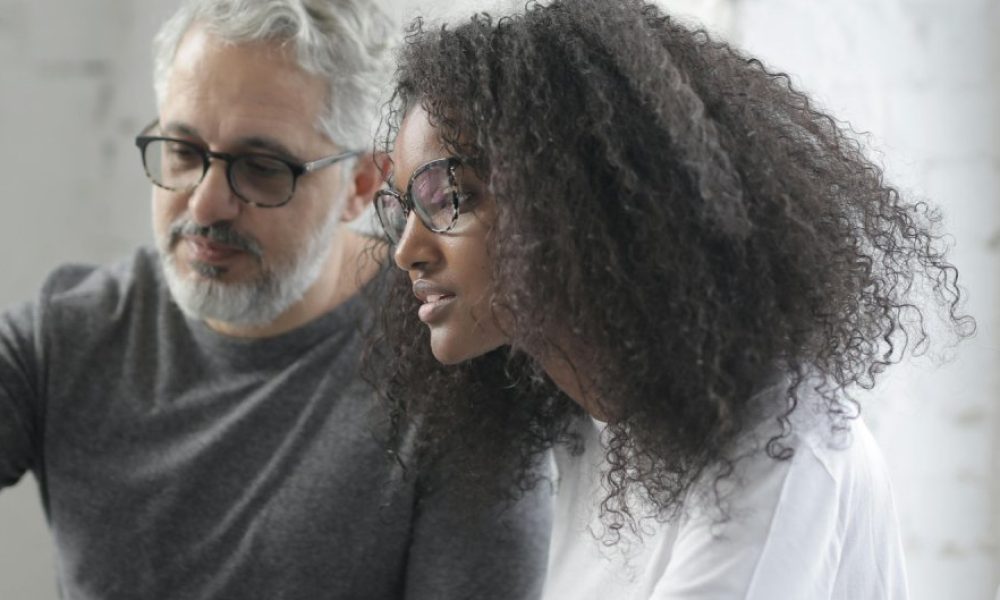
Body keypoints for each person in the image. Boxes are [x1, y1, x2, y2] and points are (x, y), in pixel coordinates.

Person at [370, 0, 975, 598]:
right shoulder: (581, 428)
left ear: (574, 197)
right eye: (401, 207)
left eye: (449, 196)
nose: (406, 251)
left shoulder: (782, 442)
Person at [0, 1, 551, 598]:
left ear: (361, 185)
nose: (206, 205)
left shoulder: (454, 368)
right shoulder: (64, 337)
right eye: (184, 153)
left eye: (261, 168)